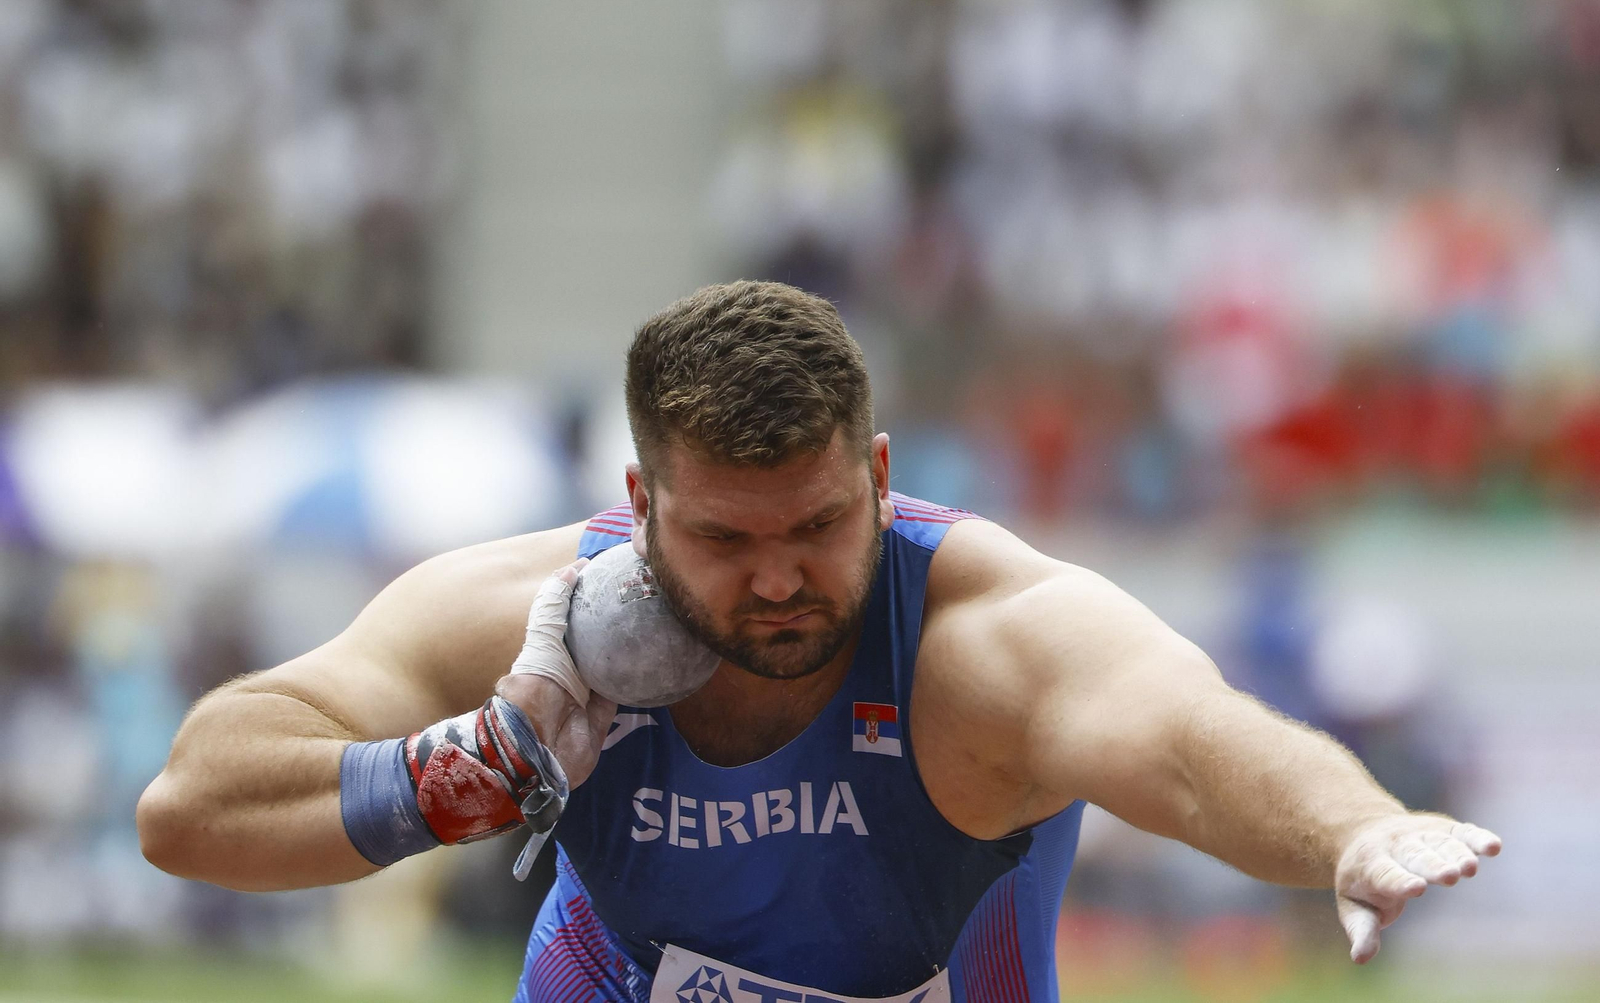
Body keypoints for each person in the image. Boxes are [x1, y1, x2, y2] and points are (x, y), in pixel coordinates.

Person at [138, 282, 1501, 1003]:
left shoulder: (981, 637)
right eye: (726, 540)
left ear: (882, 473)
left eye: (820, 524)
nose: (781, 579)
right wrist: (472, 768)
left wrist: (1352, 830)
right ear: (640, 505)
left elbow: (1192, 737)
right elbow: (191, 805)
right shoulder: (534, 614)